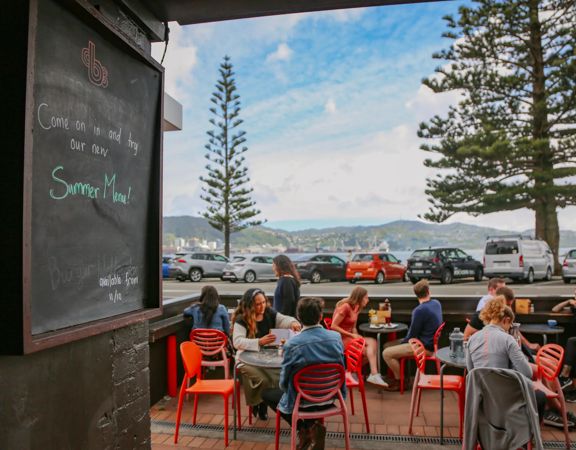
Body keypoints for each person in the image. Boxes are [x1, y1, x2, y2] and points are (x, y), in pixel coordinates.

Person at [262, 297, 346, 450]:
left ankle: (306, 429)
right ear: (320, 316)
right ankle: (311, 428)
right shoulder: (336, 338)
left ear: (299, 317)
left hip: (303, 400)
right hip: (331, 396)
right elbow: (341, 367)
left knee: (267, 394)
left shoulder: (292, 344)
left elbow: (284, 383)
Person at [466, 297, 547, 421]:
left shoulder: (472, 339)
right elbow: (527, 373)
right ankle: (528, 435)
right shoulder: (508, 339)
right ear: (506, 320)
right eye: (510, 326)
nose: (509, 329)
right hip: (506, 396)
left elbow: (471, 371)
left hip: (481, 395)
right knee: (540, 396)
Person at [232, 288, 301, 420]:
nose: (262, 306)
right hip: (245, 359)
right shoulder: (242, 320)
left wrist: (292, 322)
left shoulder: (269, 313)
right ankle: (259, 404)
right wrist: (259, 341)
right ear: (250, 305)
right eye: (258, 304)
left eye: (263, 302)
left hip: (265, 358)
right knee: (264, 380)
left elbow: (283, 319)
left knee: (277, 378)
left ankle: (265, 403)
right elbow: (237, 342)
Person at [382, 279, 442, 391]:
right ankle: (397, 377)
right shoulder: (436, 303)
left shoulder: (419, 310)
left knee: (386, 353)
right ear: (428, 291)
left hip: (423, 347)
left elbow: (412, 336)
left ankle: (401, 382)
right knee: (387, 345)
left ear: (416, 294)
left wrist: (403, 343)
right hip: (430, 344)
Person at [330, 287, 388, 387]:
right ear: (359, 298)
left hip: (350, 337)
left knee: (373, 342)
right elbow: (333, 326)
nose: (368, 300)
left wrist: (357, 336)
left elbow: (353, 328)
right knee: (366, 352)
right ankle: (357, 372)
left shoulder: (357, 308)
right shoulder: (345, 307)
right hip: (340, 339)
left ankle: (370, 374)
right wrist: (352, 336)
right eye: (366, 298)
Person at [464, 286, 540, 355]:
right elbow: (466, 338)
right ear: (498, 301)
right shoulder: (480, 316)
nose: (510, 308)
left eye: (511, 305)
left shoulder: (506, 315)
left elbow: (514, 330)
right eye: (507, 305)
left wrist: (529, 344)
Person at [552, 289, 576, 397]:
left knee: (571, 341)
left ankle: (565, 375)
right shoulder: (573, 306)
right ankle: (566, 379)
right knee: (571, 342)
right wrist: (567, 302)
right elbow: (555, 309)